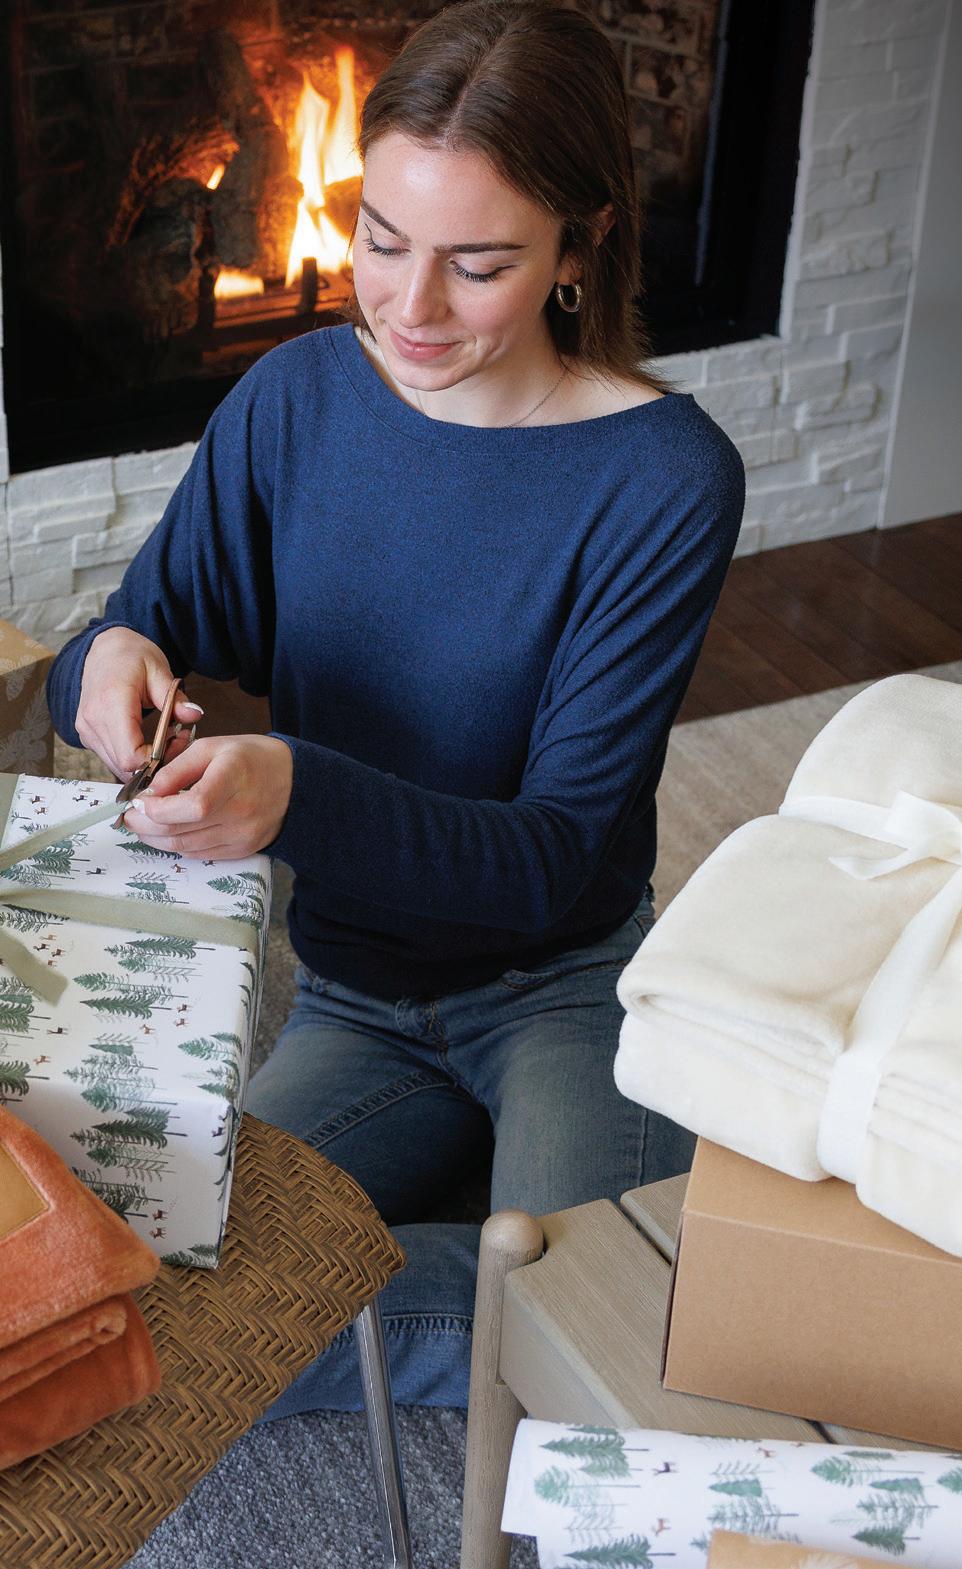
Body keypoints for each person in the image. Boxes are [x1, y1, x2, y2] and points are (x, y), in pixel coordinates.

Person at [45, 0, 744, 1412]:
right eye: (379, 238)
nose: (409, 309)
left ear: (578, 248)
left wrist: (297, 790)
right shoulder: (298, 400)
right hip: (358, 994)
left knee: (602, 1339)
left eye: (477, 266)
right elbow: (135, 628)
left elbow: (554, 854)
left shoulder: (665, 480)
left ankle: (552, 1251)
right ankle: (520, 1237)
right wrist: (105, 663)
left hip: (565, 980)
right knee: (131, 1305)